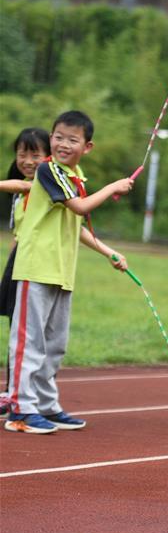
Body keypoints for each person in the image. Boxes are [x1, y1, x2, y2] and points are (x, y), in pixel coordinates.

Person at [4, 111, 134, 434]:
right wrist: (114, 187)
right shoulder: (49, 170)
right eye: (58, 137)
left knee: (55, 343)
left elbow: (75, 226)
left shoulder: (74, 177)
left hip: (62, 271)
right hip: (36, 268)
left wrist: (109, 253)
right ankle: (20, 408)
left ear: (87, 146)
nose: (62, 144)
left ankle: (46, 404)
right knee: (29, 342)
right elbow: (80, 208)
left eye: (72, 139)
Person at [0, 128, 52, 419]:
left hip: (37, 263)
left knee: (28, 332)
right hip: (19, 259)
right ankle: (11, 392)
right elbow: (17, 233)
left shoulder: (43, 185)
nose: (28, 160)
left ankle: (20, 393)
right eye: (22, 154)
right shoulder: (19, 189)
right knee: (15, 327)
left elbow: (25, 187)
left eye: (35, 154)